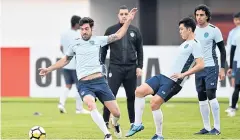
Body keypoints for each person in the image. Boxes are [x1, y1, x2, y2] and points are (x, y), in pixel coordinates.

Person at [39, 8, 138, 140]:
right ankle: (107, 135)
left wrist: (128, 21)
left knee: (116, 113)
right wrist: (49, 69)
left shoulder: (99, 40)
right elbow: (65, 60)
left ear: (92, 29)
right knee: (91, 105)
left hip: (100, 82)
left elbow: (119, 35)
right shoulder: (75, 44)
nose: (84, 31)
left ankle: (115, 124)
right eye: (82, 29)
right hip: (84, 84)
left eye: (86, 29)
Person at [125, 17, 204, 140]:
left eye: (182, 29)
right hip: (163, 76)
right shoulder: (184, 44)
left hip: (174, 81)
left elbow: (200, 65)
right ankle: (137, 124)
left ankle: (159, 135)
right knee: (139, 91)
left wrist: (183, 75)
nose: (180, 31)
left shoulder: (196, 44)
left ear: (189, 29)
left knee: (154, 103)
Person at [101, 5, 143, 129]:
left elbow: (140, 50)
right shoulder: (110, 30)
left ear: (129, 15)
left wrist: (139, 66)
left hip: (131, 68)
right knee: (110, 95)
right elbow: (103, 49)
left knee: (131, 96)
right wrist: (101, 65)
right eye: (122, 14)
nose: (124, 16)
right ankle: (105, 121)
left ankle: (133, 123)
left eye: (126, 14)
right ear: (118, 15)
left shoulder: (135, 31)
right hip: (115, 68)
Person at [194, 4, 226, 135]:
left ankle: (217, 128)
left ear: (207, 16)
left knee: (211, 94)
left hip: (211, 66)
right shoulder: (193, 30)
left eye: (201, 15)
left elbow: (222, 51)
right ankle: (206, 127)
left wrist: (223, 68)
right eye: (197, 15)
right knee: (201, 96)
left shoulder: (214, 30)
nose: (199, 17)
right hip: (198, 68)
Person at [58, 15, 90, 114]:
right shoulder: (77, 35)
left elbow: (61, 47)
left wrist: (66, 56)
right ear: (76, 24)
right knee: (79, 86)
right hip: (76, 65)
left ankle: (61, 104)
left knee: (67, 85)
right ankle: (79, 109)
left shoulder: (63, 33)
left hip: (66, 63)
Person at [225, 12, 240, 113]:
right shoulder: (233, 33)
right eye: (235, 19)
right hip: (236, 60)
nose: (237, 21)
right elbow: (231, 48)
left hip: (236, 61)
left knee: (237, 84)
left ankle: (233, 106)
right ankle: (233, 104)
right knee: (235, 83)